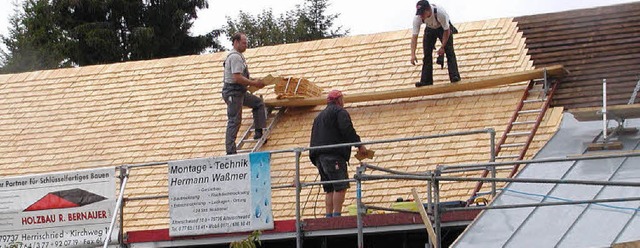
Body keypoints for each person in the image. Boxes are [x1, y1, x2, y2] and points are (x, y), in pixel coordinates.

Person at [309, 90, 367, 218]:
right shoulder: (340, 112)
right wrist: (359, 144)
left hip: (319, 157)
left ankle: (329, 216)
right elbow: (347, 130)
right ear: (339, 100)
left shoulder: (319, 117)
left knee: (329, 188)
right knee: (340, 186)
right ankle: (336, 216)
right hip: (333, 155)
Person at [222, 32, 266, 155]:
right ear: (236, 42)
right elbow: (237, 78)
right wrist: (253, 84)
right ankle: (231, 152)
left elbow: (241, 77)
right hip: (233, 92)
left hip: (239, 91)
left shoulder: (238, 56)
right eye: (243, 43)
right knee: (234, 120)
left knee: (258, 103)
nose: (246, 45)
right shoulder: (235, 56)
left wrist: (254, 81)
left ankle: (258, 132)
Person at [410, 0, 461, 87]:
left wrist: (442, 46)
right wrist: (413, 54)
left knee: (449, 51)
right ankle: (426, 81)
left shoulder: (440, 13)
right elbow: (414, 37)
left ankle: (454, 76)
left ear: (428, 10)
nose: (421, 16)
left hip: (443, 28)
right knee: (427, 54)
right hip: (430, 29)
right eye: (419, 13)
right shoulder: (417, 18)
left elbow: (447, 30)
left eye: (422, 13)